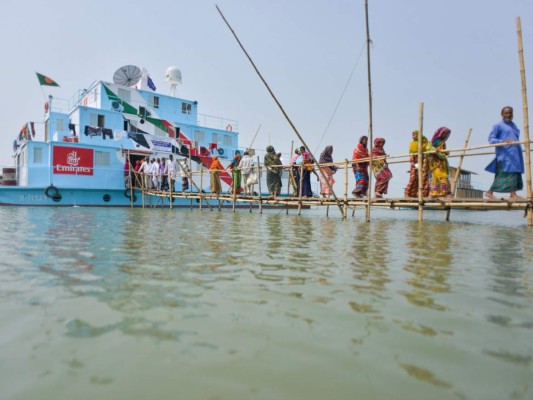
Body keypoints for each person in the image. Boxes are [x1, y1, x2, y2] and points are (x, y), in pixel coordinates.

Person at [484, 106, 525, 200]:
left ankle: (512, 194)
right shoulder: (498, 125)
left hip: (515, 154)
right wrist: (503, 141)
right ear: (502, 114)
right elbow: (491, 139)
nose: (508, 115)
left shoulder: (513, 125)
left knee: (514, 173)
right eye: (506, 113)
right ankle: (492, 192)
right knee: (504, 174)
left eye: (510, 113)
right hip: (505, 155)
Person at [404, 131, 430, 198]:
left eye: (414, 135)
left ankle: (423, 195)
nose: (413, 136)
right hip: (415, 162)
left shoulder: (425, 142)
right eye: (412, 135)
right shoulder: (413, 144)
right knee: (413, 178)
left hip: (424, 162)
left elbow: (429, 149)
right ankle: (408, 194)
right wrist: (412, 162)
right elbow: (411, 154)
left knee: (424, 178)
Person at [428, 127, 452, 199]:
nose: (446, 135)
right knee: (439, 177)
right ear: (441, 133)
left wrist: (444, 153)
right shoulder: (435, 141)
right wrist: (436, 151)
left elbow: (443, 152)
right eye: (445, 134)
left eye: (447, 134)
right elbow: (429, 148)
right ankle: (440, 193)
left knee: (439, 177)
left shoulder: (442, 142)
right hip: (435, 163)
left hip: (441, 163)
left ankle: (440, 193)